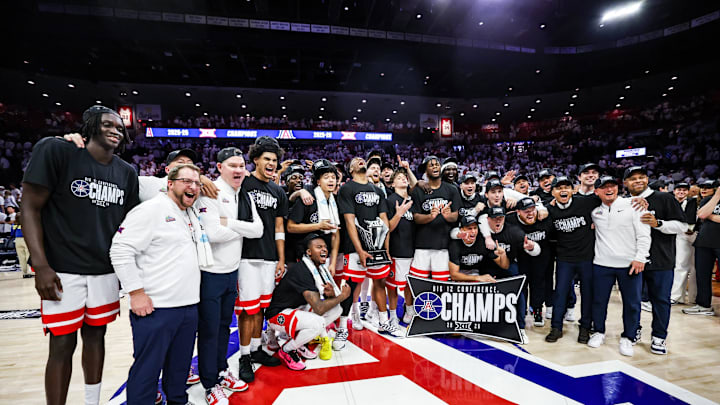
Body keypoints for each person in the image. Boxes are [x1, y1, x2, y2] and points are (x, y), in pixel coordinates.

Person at [22, 105, 139, 405]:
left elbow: (129, 225)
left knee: (96, 337)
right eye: (107, 124)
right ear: (88, 128)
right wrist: (41, 265)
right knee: (61, 345)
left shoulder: (127, 173)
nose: (116, 129)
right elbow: (30, 208)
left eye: (120, 126)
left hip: (104, 271)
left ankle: (92, 402)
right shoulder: (57, 150)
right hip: (63, 270)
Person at [110, 164, 203, 405]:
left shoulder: (188, 213)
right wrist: (136, 292)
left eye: (197, 182)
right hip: (157, 307)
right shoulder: (151, 210)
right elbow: (120, 250)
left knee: (180, 367)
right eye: (186, 181)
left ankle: (178, 401)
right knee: (147, 369)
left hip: (188, 306)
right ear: (170, 184)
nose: (192, 187)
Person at [195, 147, 263, 405]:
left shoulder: (243, 195)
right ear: (219, 167)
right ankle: (209, 384)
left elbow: (258, 230)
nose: (238, 170)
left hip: (231, 272)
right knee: (210, 330)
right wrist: (242, 229)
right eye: (232, 165)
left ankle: (221, 371)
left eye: (241, 165)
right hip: (210, 273)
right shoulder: (209, 191)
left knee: (224, 327)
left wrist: (229, 224)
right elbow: (213, 234)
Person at [235, 136, 288, 381]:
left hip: (269, 256)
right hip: (246, 254)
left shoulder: (278, 190)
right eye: (266, 159)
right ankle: (244, 355)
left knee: (261, 308)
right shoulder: (242, 182)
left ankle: (256, 349)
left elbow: (279, 228)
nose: (271, 163)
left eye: (275, 160)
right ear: (255, 159)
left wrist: (280, 259)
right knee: (247, 310)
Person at [337, 156, 403, 337]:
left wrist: (386, 250)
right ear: (350, 170)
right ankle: (345, 324)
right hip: (355, 246)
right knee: (352, 285)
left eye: (361, 159)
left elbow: (384, 222)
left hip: (377, 247)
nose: (359, 160)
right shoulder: (347, 189)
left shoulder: (377, 190)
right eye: (355, 160)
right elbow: (349, 221)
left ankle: (383, 322)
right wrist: (359, 250)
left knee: (379, 283)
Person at [266, 234, 351, 370]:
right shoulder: (303, 270)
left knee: (337, 309)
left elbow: (322, 302)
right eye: (319, 247)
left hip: (296, 309)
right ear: (308, 252)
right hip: (277, 315)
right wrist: (342, 296)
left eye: (325, 247)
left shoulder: (318, 269)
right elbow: (318, 308)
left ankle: (299, 343)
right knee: (318, 322)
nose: (324, 250)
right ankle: (287, 350)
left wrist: (332, 295)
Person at [624, 166, 686, 355]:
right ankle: (633, 330)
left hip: (661, 260)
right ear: (625, 183)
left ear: (647, 179)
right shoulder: (624, 202)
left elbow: (682, 225)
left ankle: (659, 336)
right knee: (632, 300)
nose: (638, 181)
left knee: (660, 301)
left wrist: (658, 223)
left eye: (641, 177)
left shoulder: (664, 198)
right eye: (632, 178)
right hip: (632, 260)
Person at [587, 176, 651, 357]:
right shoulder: (593, 210)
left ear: (618, 187)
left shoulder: (634, 206)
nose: (609, 190)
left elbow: (644, 234)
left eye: (612, 186)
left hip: (629, 264)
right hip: (601, 264)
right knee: (599, 301)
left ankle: (628, 337)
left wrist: (641, 257)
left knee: (632, 303)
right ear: (597, 191)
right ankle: (599, 331)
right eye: (604, 187)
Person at [544, 176, 600, 344]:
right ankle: (556, 327)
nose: (563, 190)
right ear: (553, 192)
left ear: (573, 190)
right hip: (564, 259)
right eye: (559, 188)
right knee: (560, 293)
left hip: (586, 258)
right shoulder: (549, 209)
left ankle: (584, 328)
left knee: (588, 294)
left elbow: (608, 198)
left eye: (567, 187)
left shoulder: (585, 202)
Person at [406, 156, 461, 320]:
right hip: (422, 245)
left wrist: (446, 216)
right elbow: (416, 217)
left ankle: (440, 314)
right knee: (418, 283)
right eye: (431, 165)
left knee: (441, 284)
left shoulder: (451, 190)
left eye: (437, 164)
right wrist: (430, 216)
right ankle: (417, 312)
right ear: (425, 170)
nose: (435, 167)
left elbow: (456, 216)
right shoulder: (419, 190)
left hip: (443, 245)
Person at [485, 206, 541, 344]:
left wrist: (532, 247)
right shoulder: (483, 233)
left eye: (501, 218)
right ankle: (484, 324)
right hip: (487, 265)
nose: (498, 221)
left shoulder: (513, 231)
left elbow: (536, 250)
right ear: (488, 220)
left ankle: (520, 327)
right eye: (494, 218)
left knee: (519, 288)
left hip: (508, 264)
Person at [506, 197, 554, 326]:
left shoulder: (544, 218)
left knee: (539, 285)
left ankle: (537, 310)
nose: (530, 213)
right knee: (522, 286)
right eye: (526, 211)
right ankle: (522, 312)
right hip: (521, 259)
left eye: (532, 210)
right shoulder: (511, 221)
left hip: (542, 258)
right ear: (518, 212)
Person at [286, 159, 341, 268]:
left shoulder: (336, 201)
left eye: (333, 178)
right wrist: (319, 226)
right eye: (326, 177)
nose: (331, 181)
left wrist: (333, 263)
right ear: (318, 181)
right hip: (304, 257)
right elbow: (290, 227)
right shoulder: (307, 198)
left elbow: (336, 234)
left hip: (326, 257)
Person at [683, 182, 720, 316]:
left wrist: (709, 215)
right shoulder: (708, 199)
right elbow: (702, 214)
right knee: (702, 275)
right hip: (704, 242)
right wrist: (717, 196)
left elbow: (704, 214)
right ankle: (703, 305)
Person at [385, 168, 416, 325]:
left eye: (405, 177)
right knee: (392, 286)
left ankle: (409, 310)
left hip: (413, 250)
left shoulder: (414, 199)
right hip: (397, 250)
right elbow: (387, 228)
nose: (403, 179)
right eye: (399, 177)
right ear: (393, 182)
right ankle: (392, 314)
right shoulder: (390, 200)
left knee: (410, 284)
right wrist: (398, 214)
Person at [448, 216, 509, 282]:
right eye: (469, 228)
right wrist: (478, 278)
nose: (473, 231)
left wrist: (503, 255)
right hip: (460, 274)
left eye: (475, 228)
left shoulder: (483, 242)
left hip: (476, 272)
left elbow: (505, 266)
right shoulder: (455, 244)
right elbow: (454, 275)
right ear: (462, 230)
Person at [670, 182, 698, 305]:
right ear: (674, 191)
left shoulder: (692, 202)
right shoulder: (670, 202)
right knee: (681, 265)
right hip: (679, 234)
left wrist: (689, 229)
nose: (681, 192)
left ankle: (693, 297)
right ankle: (677, 296)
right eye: (679, 190)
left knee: (692, 266)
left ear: (688, 192)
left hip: (692, 234)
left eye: (684, 190)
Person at [12, 212, 31, 278]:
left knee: (21, 258)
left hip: (17, 241)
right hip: (26, 240)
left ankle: (24, 273)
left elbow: (12, 234)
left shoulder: (14, 225)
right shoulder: (27, 224)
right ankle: (29, 272)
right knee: (28, 257)